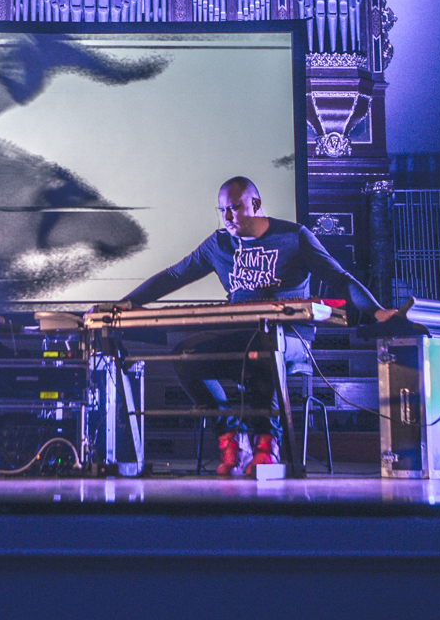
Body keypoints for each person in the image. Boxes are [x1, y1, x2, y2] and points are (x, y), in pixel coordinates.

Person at [109, 176, 401, 476]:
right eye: (222, 211)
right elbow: (174, 275)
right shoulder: (219, 244)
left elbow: (341, 278)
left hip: (291, 340)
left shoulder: (293, 236)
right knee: (186, 354)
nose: (227, 217)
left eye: (234, 208)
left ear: (256, 204)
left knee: (264, 347)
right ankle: (232, 437)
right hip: (243, 336)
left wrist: (376, 310)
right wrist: (127, 302)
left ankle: (267, 445)